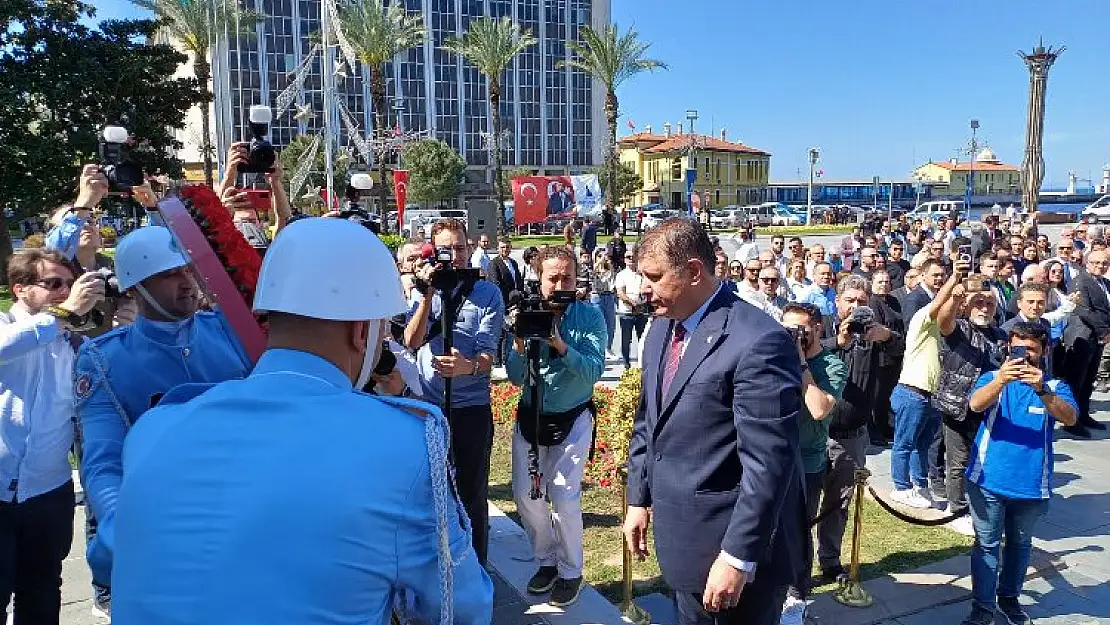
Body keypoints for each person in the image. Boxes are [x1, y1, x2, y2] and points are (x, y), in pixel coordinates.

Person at [109, 218, 493, 624]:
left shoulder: (155, 428)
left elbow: (109, 556)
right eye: (382, 332)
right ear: (362, 332)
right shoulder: (406, 442)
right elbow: (461, 607)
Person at [624, 219, 805, 625]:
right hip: (682, 542)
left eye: (653, 277)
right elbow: (647, 422)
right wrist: (638, 497)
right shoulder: (661, 328)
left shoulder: (758, 341)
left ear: (693, 271)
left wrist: (738, 556)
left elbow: (769, 464)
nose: (643, 289)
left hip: (730, 557)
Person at [75, 226, 253, 599]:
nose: (187, 282)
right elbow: (103, 461)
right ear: (134, 288)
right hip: (161, 525)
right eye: (169, 274)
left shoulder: (228, 330)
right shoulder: (102, 358)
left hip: (246, 514)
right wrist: (122, 528)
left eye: (189, 269)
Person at [1, 250, 105, 625]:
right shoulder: (6, 324)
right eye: (53, 284)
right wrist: (64, 314)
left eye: (69, 283)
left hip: (49, 493)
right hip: (0, 492)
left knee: (43, 593)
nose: (65, 292)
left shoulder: (72, 341)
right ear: (20, 289)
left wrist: (118, 329)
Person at [506, 246, 606, 607]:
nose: (561, 284)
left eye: (567, 276)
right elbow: (516, 378)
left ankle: (571, 570)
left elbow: (594, 370)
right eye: (553, 278)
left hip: (573, 416)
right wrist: (519, 342)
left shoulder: (590, 316)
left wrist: (558, 344)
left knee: (564, 496)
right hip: (531, 417)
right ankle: (545, 561)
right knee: (526, 495)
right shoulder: (526, 314)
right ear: (539, 279)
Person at [959, 323, 1078, 625]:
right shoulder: (993, 378)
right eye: (1017, 350)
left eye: (1032, 351)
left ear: (1045, 351)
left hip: (1031, 486)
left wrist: (1042, 391)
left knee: (1020, 546)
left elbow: (1070, 417)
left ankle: (1009, 598)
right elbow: (975, 404)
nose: (1025, 357)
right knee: (986, 545)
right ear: (1008, 349)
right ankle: (982, 608)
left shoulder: (1056, 386)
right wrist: (1000, 380)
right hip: (987, 480)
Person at [404, 219, 504, 564]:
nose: (455, 258)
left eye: (460, 249)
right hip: (431, 408)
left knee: (472, 494)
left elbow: (489, 353)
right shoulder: (423, 292)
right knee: (429, 492)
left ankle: (476, 568)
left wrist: (469, 365)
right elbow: (411, 341)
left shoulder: (487, 292)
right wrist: (429, 290)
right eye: (447, 250)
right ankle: (437, 563)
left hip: (470, 408)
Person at [817, 274, 898, 580]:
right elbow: (796, 351)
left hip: (850, 437)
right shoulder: (821, 325)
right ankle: (795, 569)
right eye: (848, 301)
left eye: (861, 302)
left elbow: (901, 350)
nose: (854, 307)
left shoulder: (873, 335)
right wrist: (836, 342)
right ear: (836, 302)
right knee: (803, 503)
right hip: (815, 435)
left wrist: (885, 336)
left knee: (838, 504)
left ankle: (829, 561)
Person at [778, 303, 847, 625]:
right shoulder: (774, 358)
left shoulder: (831, 365)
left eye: (800, 329)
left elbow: (820, 410)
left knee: (798, 532)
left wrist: (802, 363)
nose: (794, 335)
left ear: (818, 328)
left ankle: (797, 595)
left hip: (807, 462)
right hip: (772, 458)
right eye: (787, 329)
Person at [889, 255, 967, 509]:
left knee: (923, 445)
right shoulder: (922, 317)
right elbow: (937, 304)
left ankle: (920, 484)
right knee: (904, 442)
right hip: (913, 391)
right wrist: (955, 277)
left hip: (932, 395)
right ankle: (901, 487)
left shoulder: (943, 327)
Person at [933, 282, 1006, 537]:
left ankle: (978, 504)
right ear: (968, 305)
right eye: (979, 302)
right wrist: (954, 299)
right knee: (958, 460)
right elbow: (943, 321)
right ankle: (957, 508)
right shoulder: (961, 328)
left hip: (988, 408)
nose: (984, 308)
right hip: (957, 406)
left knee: (983, 459)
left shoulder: (999, 335)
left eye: (989, 304)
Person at [1057, 250, 1110, 437]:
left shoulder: (1105, 283)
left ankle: (1084, 414)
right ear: (1087, 263)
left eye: (1104, 263)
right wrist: (1105, 331)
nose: (1101, 266)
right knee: (1075, 380)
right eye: (1096, 262)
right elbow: (1084, 311)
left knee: (1088, 379)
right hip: (1082, 336)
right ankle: (1071, 420)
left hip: (1097, 338)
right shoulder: (1081, 281)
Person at [217, 142, 293, 253]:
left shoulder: (270, 250)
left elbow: (284, 219)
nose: (247, 228)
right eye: (240, 223)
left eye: (251, 221)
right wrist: (230, 171)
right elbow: (215, 218)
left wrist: (275, 181)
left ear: (260, 225)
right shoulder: (220, 247)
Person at [487, 238, 523, 366]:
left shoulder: (513, 262)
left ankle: (507, 358)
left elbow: (518, 280)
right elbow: (495, 283)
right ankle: (497, 362)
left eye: (507, 247)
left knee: (511, 333)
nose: (505, 250)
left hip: (515, 302)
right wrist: (507, 300)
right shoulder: (494, 263)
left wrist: (518, 296)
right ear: (498, 248)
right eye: (502, 247)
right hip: (502, 302)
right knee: (500, 332)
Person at [614, 247, 649, 369]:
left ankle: (642, 363)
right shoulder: (621, 275)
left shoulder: (642, 275)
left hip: (641, 312)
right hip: (626, 312)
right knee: (626, 339)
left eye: (633, 257)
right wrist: (633, 304)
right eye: (628, 257)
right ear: (624, 260)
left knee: (642, 339)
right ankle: (626, 363)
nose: (631, 259)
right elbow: (620, 293)